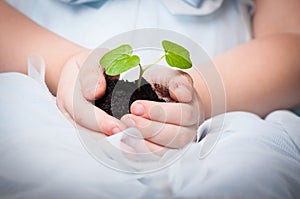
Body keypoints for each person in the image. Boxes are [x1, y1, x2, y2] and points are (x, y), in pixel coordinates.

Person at [0, 0, 300, 197]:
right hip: (46, 97)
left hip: (228, 109)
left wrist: (194, 94)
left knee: (248, 173)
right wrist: (66, 64)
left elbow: (292, 40)